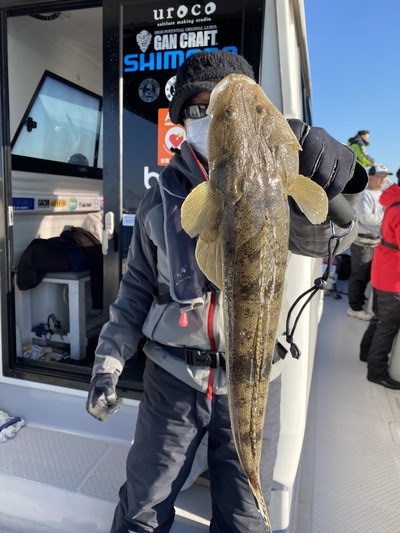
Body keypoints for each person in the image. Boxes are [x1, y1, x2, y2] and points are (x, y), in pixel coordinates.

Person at [86, 51, 367, 533]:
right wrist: (109, 362)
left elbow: (335, 237)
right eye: (198, 108)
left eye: (222, 104)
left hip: (259, 376)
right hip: (173, 382)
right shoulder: (162, 195)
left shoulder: (282, 182)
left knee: (246, 518)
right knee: (141, 509)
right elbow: (135, 287)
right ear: (182, 121)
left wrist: (343, 190)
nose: (209, 115)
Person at [359, 182, 400, 389]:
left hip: (381, 271)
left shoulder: (393, 202)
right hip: (393, 278)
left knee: (378, 318)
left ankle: (365, 353)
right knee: (388, 325)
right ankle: (376, 372)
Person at [347, 164, 393, 320]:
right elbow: (365, 217)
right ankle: (354, 308)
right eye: (379, 176)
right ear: (371, 177)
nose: (383, 179)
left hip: (374, 243)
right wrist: (385, 220)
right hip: (362, 243)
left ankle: (359, 300)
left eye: (385, 176)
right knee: (358, 276)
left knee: (367, 275)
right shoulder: (365, 195)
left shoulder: (380, 194)